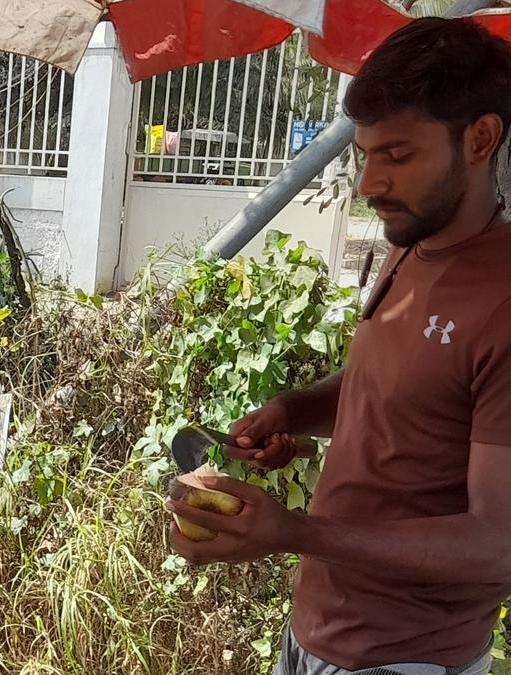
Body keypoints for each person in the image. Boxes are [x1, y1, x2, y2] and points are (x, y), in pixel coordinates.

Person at [167, 17, 511, 675]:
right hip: (318, 630)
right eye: (365, 154)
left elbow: (496, 546)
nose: (368, 184)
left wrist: (295, 532)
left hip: (405, 655)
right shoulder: (409, 246)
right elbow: (391, 386)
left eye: (398, 155)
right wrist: (293, 411)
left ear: (480, 139)